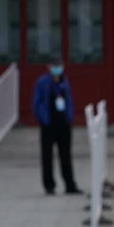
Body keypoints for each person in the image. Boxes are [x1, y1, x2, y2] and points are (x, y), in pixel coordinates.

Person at [32, 62, 81, 195]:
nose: (57, 69)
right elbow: (37, 102)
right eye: (55, 66)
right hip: (48, 123)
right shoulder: (42, 82)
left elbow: (69, 99)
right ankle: (49, 185)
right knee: (47, 155)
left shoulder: (64, 81)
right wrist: (42, 118)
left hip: (63, 123)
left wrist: (69, 116)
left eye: (59, 66)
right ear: (49, 67)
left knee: (66, 154)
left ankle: (70, 184)